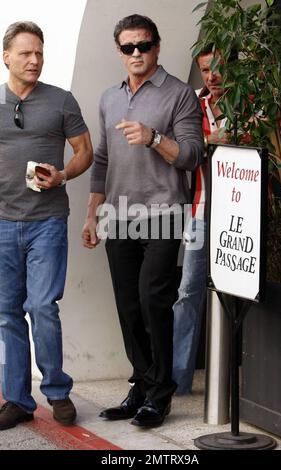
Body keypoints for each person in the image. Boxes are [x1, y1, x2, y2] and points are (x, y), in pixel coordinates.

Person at [82, 14, 203, 427]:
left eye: (144, 45)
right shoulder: (109, 98)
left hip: (164, 212)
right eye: (128, 47)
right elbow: (101, 160)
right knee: (129, 306)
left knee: (154, 300)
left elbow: (191, 155)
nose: (137, 53)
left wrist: (153, 138)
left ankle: (160, 393)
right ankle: (142, 385)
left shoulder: (180, 93)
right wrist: (91, 213)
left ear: (157, 46)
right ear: (119, 51)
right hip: (118, 215)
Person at [0, 21, 93, 430]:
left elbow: (85, 152)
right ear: (6, 57)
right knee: (6, 314)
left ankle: (57, 391)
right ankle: (18, 400)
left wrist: (62, 175)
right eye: (25, 53)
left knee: (41, 307)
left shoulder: (61, 101)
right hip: (2, 223)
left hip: (47, 222)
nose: (35, 59)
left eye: (39, 52)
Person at [172, 43, 229, 394]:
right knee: (188, 290)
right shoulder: (193, 101)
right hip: (201, 211)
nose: (213, 77)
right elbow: (183, 143)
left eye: (218, 68)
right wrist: (212, 139)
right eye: (206, 70)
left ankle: (244, 379)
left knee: (241, 294)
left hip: (246, 213)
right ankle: (177, 382)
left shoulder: (252, 102)